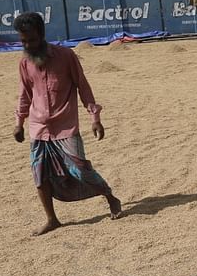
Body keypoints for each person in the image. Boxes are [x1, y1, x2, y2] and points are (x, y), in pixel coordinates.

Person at [11, 12, 122, 235]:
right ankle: (52, 219)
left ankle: (110, 197)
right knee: (39, 175)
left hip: (65, 126)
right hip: (38, 128)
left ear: (41, 35)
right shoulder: (25, 63)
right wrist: (18, 122)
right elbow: (25, 94)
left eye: (31, 39)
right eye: (23, 41)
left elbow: (83, 86)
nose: (27, 45)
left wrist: (95, 118)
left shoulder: (65, 56)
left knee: (80, 169)